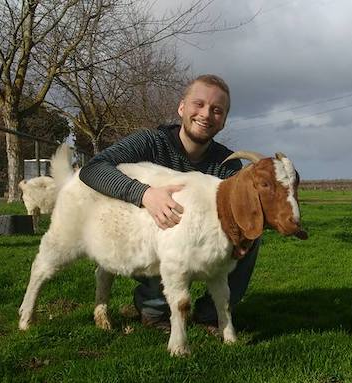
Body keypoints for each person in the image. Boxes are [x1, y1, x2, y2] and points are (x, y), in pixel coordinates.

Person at [78, 74, 259, 331]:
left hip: (199, 242)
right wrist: (143, 194)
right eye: (199, 104)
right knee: (164, 224)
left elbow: (245, 202)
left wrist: (245, 234)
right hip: (141, 235)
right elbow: (92, 170)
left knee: (251, 231)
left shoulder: (226, 163)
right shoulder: (150, 142)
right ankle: (154, 309)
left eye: (217, 110)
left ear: (224, 121)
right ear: (182, 107)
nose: (206, 114)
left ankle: (211, 314)